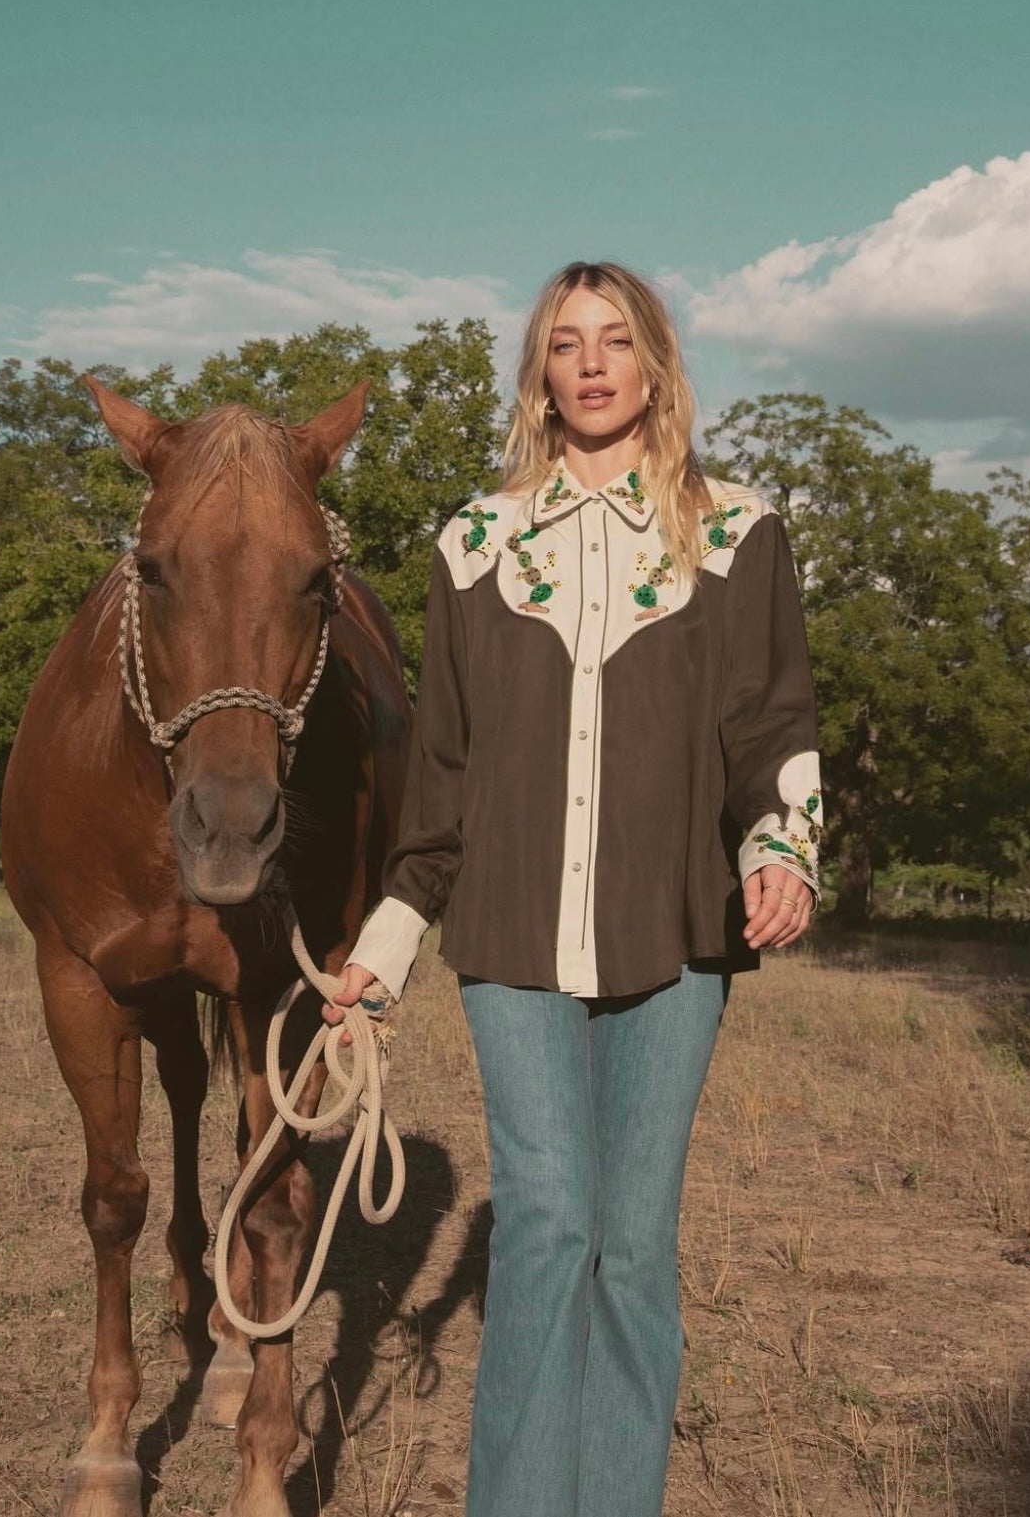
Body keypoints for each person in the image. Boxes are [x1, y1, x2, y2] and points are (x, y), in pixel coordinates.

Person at [325, 260, 822, 1517]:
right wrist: (387, 943)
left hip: (679, 931)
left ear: (654, 360)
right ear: (540, 374)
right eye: (564, 344)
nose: (591, 363)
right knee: (547, 1220)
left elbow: (772, 722)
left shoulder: (740, 531)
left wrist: (782, 844)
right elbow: (441, 772)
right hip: (510, 936)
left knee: (635, 1244)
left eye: (614, 340)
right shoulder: (476, 542)